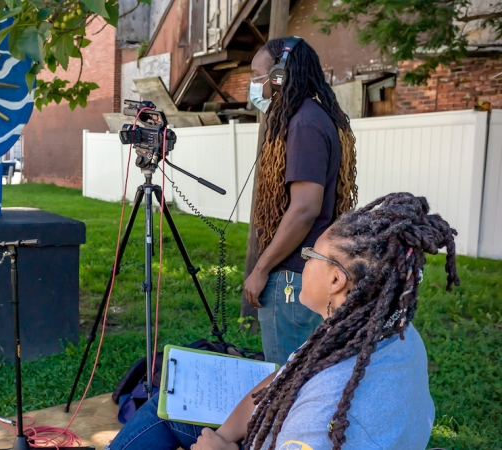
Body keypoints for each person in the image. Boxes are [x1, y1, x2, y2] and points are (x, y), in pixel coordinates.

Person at [107, 192, 459, 449]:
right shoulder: (386, 331)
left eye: (310, 255)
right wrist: (225, 436)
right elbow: (286, 376)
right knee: (174, 404)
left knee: (162, 410)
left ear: (336, 280)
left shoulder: (321, 419)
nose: (303, 263)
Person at [243, 37, 359, 366]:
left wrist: (261, 268)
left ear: (279, 77)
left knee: (286, 385)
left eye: (256, 74)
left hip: (292, 278)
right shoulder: (314, 117)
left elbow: (305, 208)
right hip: (305, 272)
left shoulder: (304, 124)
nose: (253, 84)